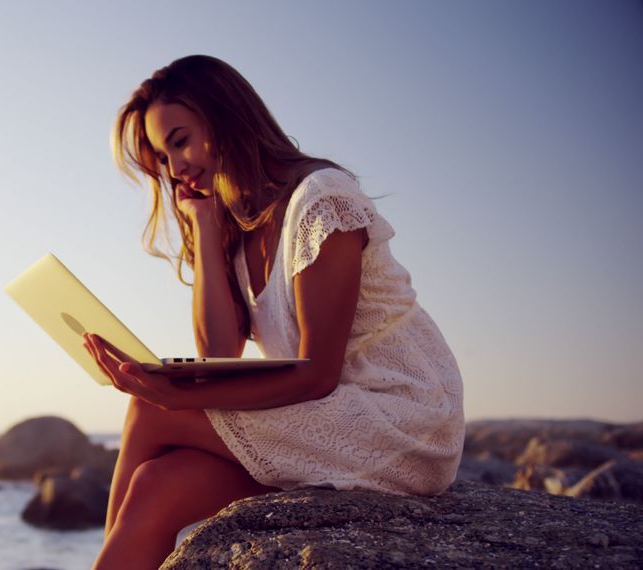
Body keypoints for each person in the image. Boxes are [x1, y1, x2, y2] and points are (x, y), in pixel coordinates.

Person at [81, 55, 464, 569]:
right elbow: (219, 352)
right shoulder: (240, 227)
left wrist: (171, 397)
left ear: (224, 116)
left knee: (150, 410)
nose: (175, 169)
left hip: (398, 417)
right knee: (158, 484)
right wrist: (208, 230)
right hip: (318, 417)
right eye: (161, 157)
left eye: (179, 141)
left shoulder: (321, 199)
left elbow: (318, 375)